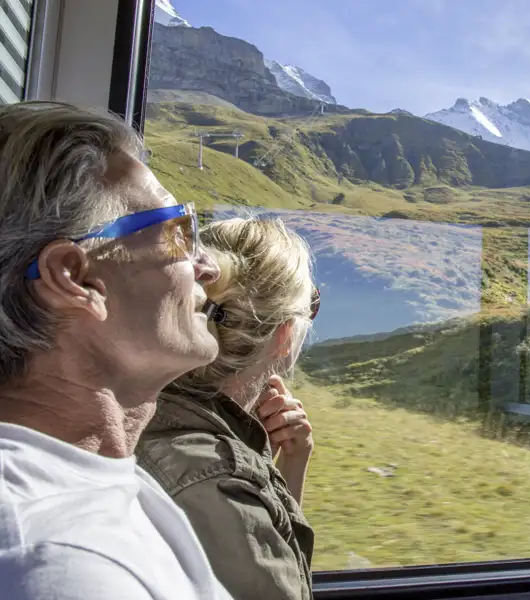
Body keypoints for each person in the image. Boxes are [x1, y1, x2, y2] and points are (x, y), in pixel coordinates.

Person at [0, 101, 234, 600]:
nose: (208, 268)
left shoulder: (99, 476)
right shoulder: (59, 564)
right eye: (179, 231)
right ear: (77, 279)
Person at [136, 217, 319, 600]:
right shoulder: (220, 484)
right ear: (284, 335)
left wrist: (288, 462)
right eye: (310, 306)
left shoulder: (142, 408)